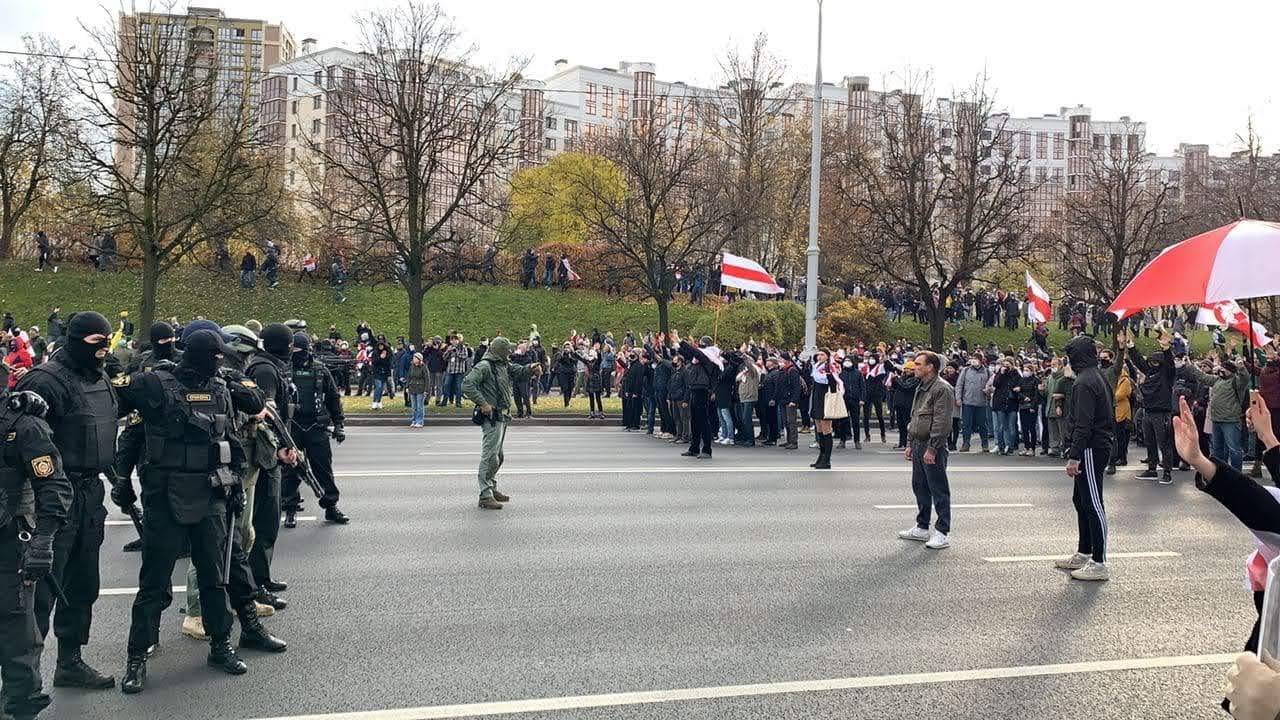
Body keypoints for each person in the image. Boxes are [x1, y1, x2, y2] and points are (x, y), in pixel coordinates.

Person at [110, 329, 284, 694]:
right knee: (154, 582)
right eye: (215, 357)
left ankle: (221, 645)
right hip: (166, 495)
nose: (218, 363)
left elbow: (228, 439)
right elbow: (114, 406)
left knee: (215, 576)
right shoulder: (155, 383)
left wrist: (235, 482)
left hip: (211, 494)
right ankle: (137, 657)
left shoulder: (220, 387)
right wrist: (121, 478)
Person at [14, 311, 119, 691]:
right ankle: (22, 680)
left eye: (107, 343)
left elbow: (100, 432)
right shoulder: (44, 382)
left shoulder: (100, 378)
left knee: (82, 584)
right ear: (75, 340)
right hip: (50, 501)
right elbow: (17, 440)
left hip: (90, 496)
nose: (103, 350)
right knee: (39, 593)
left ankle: (70, 661)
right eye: (96, 343)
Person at [0, 388, 73, 720]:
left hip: (9, 539)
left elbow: (54, 485)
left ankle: (21, 702)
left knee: (17, 631)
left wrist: (43, 541)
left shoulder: (22, 426)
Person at [1055, 335, 1114, 582]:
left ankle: (1099, 561)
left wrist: (1074, 455)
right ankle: (1084, 551)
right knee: (1081, 500)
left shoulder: (1084, 381)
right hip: (1093, 446)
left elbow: (1084, 423)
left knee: (1092, 502)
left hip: (1090, 448)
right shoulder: (1095, 375)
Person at [242, 324, 294, 601]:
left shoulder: (267, 366)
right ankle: (256, 584)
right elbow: (266, 417)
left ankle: (261, 577)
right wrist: (283, 448)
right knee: (264, 520)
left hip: (268, 452)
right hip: (264, 455)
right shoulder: (265, 370)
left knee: (267, 520)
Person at [282, 333, 348, 526]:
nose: (295, 354)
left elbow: (333, 398)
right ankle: (291, 509)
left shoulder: (320, 370)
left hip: (316, 426)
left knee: (323, 469)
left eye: (298, 350)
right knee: (291, 470)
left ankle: (330, 506)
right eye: (293, 350)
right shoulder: (284, 370)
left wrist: (339, 424)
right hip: (292, 426)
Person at [462, 338, 531, 509]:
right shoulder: (485, 366)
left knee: (498, 456)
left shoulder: (502, 364)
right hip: (492, 417)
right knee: (490, 456)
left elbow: (517, 371)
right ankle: (485, 494)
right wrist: (483, 403)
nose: (509, 353)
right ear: (499, 351)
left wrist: (530, 369)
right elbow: (467, 384)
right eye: (507, 350)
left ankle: (491, 488)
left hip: (502, 416)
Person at [899, 351, 954, 550]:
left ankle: (942, 532)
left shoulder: (942, 389)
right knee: (920, 487)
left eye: (919, 364)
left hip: (933, 446)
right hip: (918, 443)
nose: (915, 367)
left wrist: (932, 448)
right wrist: (909, 443)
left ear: (931, 367)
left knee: (938, 489)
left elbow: (942, 422)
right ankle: (922, 527)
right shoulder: (921, 387)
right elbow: (915, 417)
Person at [1128, 331, 1177, 484]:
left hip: (1161, 414)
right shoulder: (1149, 372)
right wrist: (1131, 347)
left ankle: (1167, 472)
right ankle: (1152, 469)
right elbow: (1138, 361)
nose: (1152, 364)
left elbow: (1170, 363)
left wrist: (1166, 349)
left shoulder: (1166, 374)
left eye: (1155, 362)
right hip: (1147, 411)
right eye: (1150, 361)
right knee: (1149, 442)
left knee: (1164, 443)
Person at [674, 333, 722, 459]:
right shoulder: (700, 359)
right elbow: (689, 354)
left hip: (702, 389)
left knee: (703, 420)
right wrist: (679, 345)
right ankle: (694, 447)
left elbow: (696, 353)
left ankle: (707, 449)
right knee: (694, 420)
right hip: (694, 388)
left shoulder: (709, 358)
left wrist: (682, 341)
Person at [808, 350, 843, 470]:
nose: (819, 356)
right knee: (819, 429)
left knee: (826, 429)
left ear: (827, 356)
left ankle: (827, 459)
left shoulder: (830, 366)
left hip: (825, 399)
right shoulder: (816, 367)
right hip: (817, 398)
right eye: (818, 354)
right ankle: (821, 456)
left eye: (822, 354)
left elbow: (834, 384)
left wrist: (828, 374)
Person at [954, 353, 992, 452]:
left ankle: (985, 444)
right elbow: (959, 385)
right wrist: (958, 398)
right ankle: (966, 443)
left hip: (981, 403)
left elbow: (992, 385)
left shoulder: (987, 371)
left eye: (975, 359)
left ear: (980, 360)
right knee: (966, 424)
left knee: (982, 424)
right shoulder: (966, 370)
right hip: (967, 402)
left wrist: (988, 391)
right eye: (972, 358)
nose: (973, 360)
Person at [406, 352, 428, 427]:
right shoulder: (412, 366)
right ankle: (414, 420)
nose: (414, 359)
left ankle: (420, 421)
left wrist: (426, 390)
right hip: (412, 387)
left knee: (419, 406)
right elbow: (409, 376)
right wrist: (407, 386)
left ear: (419, 359)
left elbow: (427, 379)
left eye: (415, 358)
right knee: (414, 406)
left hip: (420, 388)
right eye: (413, 358)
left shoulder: (423, 367)